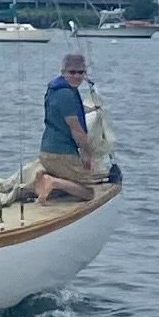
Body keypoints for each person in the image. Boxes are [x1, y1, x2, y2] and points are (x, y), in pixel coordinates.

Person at [35, 51, 97, 203]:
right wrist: (88, 154)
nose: (77, 76)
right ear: (63, 72)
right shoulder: (66, 95)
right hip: (61, 154)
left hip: (46, 151)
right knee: (89, 193)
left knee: (69, 190)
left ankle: (50, 183)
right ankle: (52, 181)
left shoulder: (54, 90)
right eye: (72, 72)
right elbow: (76, 129)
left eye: (80, 72)